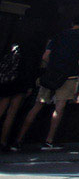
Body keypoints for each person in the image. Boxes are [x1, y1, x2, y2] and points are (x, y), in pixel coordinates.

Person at [12, 14, 79, 151]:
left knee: (37, 105)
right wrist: (76, 66)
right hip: (68, 75)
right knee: (59, 108)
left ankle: (18, 140)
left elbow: (45, 56)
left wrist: (52, 66)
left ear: (72, 22)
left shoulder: (58, 35)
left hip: (50, 74)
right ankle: (49, 141)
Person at [0, 10, 51, 152]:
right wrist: (29, 85)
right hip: (21, 82)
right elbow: (32, 67)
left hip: (7, 79)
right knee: (12, 112)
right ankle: (4, 141)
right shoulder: (33, 49)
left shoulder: (15, 43)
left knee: (2, 109)